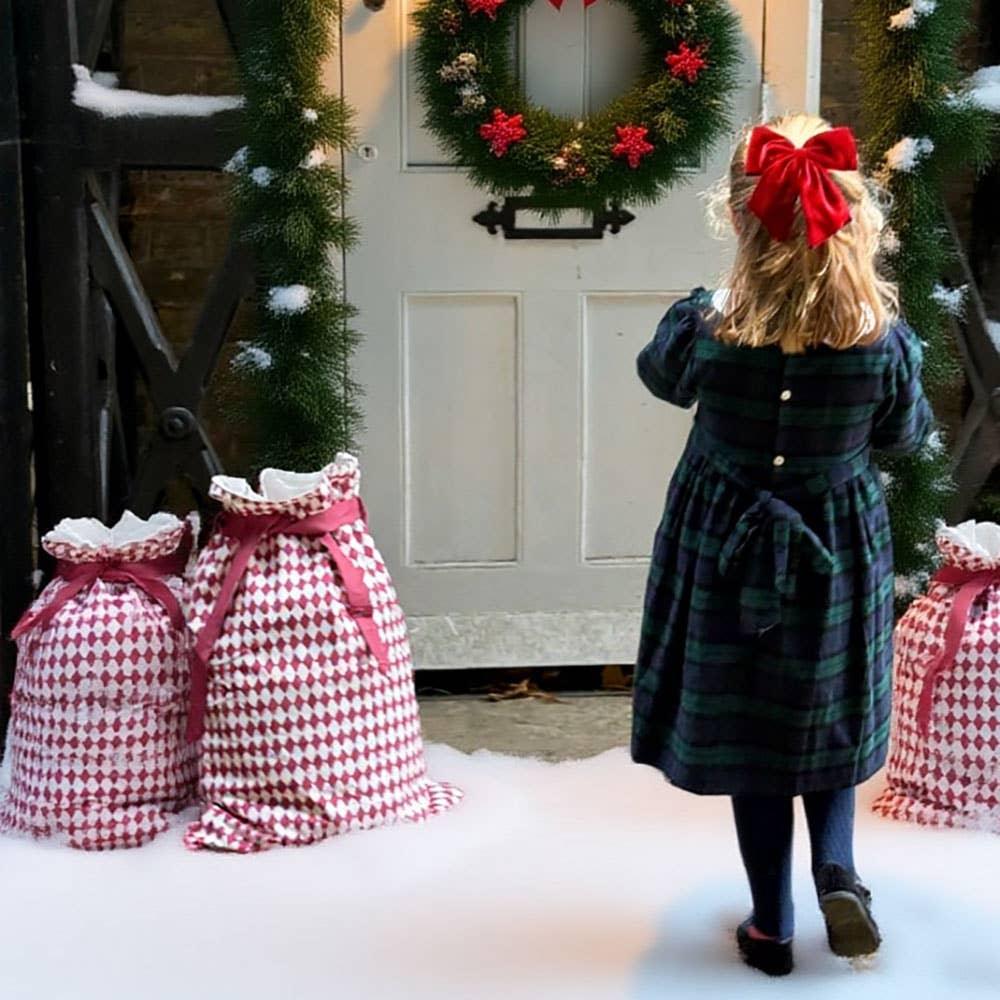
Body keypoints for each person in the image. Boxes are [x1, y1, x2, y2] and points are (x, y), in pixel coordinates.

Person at [630, 114, 933, 977]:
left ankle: (770, 927)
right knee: (821, 711)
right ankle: (837, 868)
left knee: (753, 736)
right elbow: (905, 438)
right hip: (832, 546)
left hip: (723, 541)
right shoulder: (884, 342)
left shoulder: (706, 326)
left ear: (740, 217)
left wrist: (710, 309)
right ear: (854, 217)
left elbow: (659, 377)